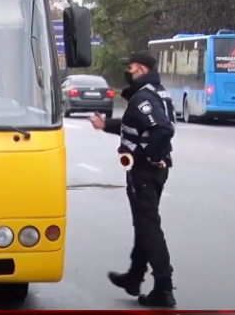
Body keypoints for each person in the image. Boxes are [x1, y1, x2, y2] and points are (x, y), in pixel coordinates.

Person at [89, 51, 176, 307]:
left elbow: (162, 128)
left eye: (130, 67)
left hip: (145, 172)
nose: (128, 71)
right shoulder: (157, 91)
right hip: (149, 172)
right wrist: (106, 125)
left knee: (148, 226)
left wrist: (151, 157)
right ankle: (134, 276)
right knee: (143, 223)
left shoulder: (144, 96)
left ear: (140, 68)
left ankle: (163, 286)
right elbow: (138, 126)